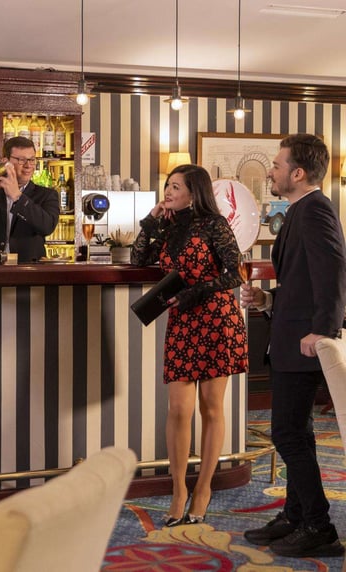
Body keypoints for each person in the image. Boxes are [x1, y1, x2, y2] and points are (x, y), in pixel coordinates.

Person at [241, 134, 346, 558]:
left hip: (304, 343)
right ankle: (296, 515)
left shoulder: (315, 210)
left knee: (287, 433)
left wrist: (322, 330)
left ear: (298, 173)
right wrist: (267, 300)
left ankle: (319, 525)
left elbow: (334, 271)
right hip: (290, 336)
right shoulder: (302, 209)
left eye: (277, 165)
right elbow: (302, 281)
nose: (271, 171)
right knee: (297, 432)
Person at [131, 164, 247, 527]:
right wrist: (151, 220)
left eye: (175, 187)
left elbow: (236, 273)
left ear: (194, 193)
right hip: (182, 322)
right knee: (179, 410)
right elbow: (138, 258)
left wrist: (195, 292)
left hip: (216, 320)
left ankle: (204, 488)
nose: (168, 191)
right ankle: (179, 488)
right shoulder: (168, 227)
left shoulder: (215, 224)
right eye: (167, 185)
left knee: (211, 407)